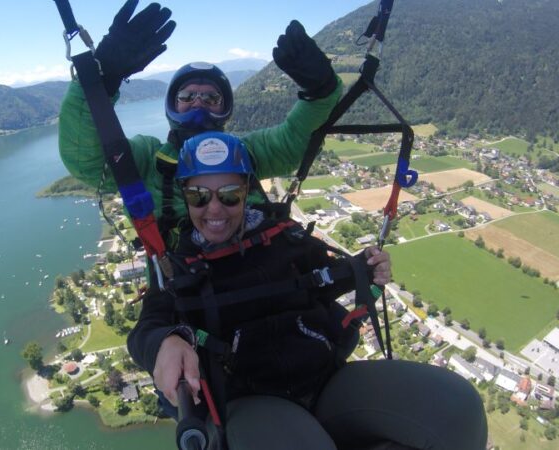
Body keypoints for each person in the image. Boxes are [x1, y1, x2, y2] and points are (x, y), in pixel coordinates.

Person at [127, 132, 488, 450]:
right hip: (248, 403)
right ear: (186, 198)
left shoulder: (285, 238)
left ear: (247, 191)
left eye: (230, 194)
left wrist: (365, 269)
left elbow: (325, 277)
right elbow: (147, 329)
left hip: (327, 381)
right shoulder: (177, 269)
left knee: (458, 410)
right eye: (199, 196)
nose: (215, 208)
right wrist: (165, 343)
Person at [59, 0, 342, 242]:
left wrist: (321, 91)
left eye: (210, 99)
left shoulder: (246, 151)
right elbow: (88, 160)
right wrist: (100, 81)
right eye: (187, 95)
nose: (198, 103)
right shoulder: (147, 159)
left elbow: (295, 138)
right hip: (183, 295)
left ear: (225, 109)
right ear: (172, 104)